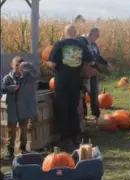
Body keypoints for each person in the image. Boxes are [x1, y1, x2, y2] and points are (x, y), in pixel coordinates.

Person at [48, 24, 96, 152]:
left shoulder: (59, 44)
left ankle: (65, 139)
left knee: (62, 109)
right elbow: (91, 61)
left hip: (61, 82)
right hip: (75, 81)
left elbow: (52, 64)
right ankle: (74, 137)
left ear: (65, 33)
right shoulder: (80, 45)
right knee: (73, 108)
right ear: (75, 33)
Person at [2, 57, 38, 159]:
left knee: (24, 129)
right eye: (17, 65)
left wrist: (28, 65)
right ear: (12, 65)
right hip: (12, 107)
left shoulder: (28, 77)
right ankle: (10, 150)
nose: (19, 68)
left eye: (22, 65)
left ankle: (23, 148)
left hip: (23, 107)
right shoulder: (8, 78)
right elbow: (2, 88)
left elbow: (36, 74)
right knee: (11, 130)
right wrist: (10, 88)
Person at [77, 27, 113, 119]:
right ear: (91, 33)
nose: (97, 37)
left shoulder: (94, 45)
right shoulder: (81, 41)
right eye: (96, 35)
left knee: (94, 93)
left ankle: (95, 114)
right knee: (82, 94)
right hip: (82, 71)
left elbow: (97, 56)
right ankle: (83, 115)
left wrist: (106, 63)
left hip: (93, 72)